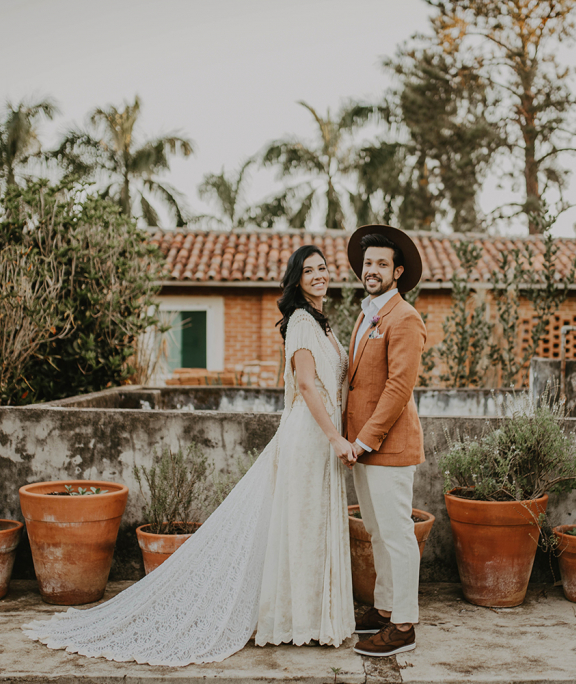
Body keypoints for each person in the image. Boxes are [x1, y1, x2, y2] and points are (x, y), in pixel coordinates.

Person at [22, 245, 357, 666]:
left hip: (322, 438)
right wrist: (335, 438)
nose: (319, 275)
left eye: (323, 268)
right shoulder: (303, 323)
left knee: (310, 526)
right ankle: (298, 621)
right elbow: (307, 386)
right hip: (310, 438)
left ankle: (313, 617)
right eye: (309, 271)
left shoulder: (324, 324)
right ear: (297, 280)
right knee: (302, 527)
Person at [343, 225, 427, 658]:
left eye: (380, 264)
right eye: (367, 262)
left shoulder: (405, 317)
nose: (371, 269)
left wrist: (363, 440)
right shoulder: (367, 313)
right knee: (377, 532)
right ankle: (384, 608)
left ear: (397, 272)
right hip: (363, 448)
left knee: (397, 536)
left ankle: (405, 626)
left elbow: (398, 388)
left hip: (387, 447)